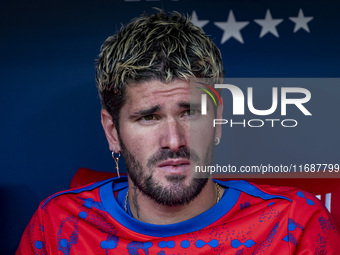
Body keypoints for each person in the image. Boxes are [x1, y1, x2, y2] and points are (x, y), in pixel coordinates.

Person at [17, 11, 339, 254]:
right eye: (149, 117)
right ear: (112, 131)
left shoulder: (294, 225)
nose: (174, 141)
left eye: (191, 113)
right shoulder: (56, 227)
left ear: (218, 120)